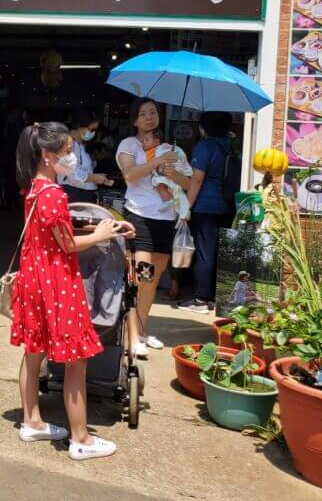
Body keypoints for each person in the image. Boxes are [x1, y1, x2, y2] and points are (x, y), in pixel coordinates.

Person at [11, 122, 135, 461]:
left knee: (33, 350)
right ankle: (81, 439)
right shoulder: (54, 194)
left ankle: (31, 421)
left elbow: (53, 232)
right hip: (56, 281)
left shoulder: (35, 189)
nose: (72, 157)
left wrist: (100, 228)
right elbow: (67, 244)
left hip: (34, 277)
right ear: (49, 157)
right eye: (67, 152)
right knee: (76, 363)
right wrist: (105, 233)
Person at [116, 98, 190, 358]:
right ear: (134, 120)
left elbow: (187, 183)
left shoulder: (171, 148)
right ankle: (132, 335)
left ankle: (140, 330)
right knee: (142, 277)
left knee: (154, 280)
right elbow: (129, 175)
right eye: (143, 113)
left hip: (165, 220)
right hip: (140, 219)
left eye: (153, 113)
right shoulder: (129, 145)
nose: (149, 117)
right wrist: (156, 163)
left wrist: (171, 172)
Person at [182, 111, 235, 313]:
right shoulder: (230, 147)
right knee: (218, 253)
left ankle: (201, 300)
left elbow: (196, 179)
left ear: (204, 127)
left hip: (205, 206)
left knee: (205, 253)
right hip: (227, 205)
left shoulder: (204, 147)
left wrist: (186, 206)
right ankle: (213, 296)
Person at [59, 108, 115, 204]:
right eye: (91, 129)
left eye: (95, 130)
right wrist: (94, 178)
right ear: (79, 126)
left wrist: (96, 177)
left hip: (83, 194)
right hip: (74, 195)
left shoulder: (81, 144)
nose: (93, 133)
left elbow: (82, 170)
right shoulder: (68, 144)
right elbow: (72, 173)